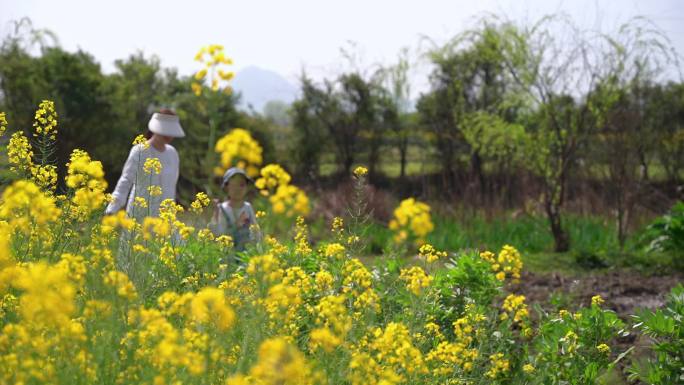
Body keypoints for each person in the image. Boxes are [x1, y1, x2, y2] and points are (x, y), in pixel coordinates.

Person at [105, 109, 184, 221]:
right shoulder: (140, 150)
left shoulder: (173, 153)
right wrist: (112, 209)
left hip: (166, 217)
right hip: (140, 214)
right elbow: (126, 180)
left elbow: (171, 188)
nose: (169, 135)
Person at [209, 167, 261, 252]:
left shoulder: (247, 207)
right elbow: (219, 234)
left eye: (241, 185)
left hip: (245, 254)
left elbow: (256, 232)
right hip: (229, 254)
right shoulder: (222, 208)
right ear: (226, 188)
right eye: (233, 185)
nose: (238, 189)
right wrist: (216, 215)